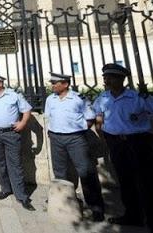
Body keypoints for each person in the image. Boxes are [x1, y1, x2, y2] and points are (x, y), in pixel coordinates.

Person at [92, 63, 153, 232]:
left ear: (121, 79)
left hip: (137, 143)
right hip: (116, 144)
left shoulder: (138, 98)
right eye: (105, 77)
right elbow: (98, 117)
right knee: (125, 181)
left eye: (110, 77)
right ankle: (133, 215)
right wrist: (103, 134)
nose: (106, 80)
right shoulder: (103, 98)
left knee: (148, 184)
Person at [44, 72, 105, 222]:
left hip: (76, 138)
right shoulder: (50, 99)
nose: (52, 85)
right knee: (59, 170)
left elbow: (90, 117)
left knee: (86, 171)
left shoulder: (78, 99)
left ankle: (95, 207)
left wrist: (81, 130)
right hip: (56, 137)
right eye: (52, 83)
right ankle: (63, 202)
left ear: (65, 84)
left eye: (55, 83)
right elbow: (48, 116)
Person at [0, 73, 35, 211]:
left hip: (11, 134)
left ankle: (22, 196)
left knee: (15, 164)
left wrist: (22, 123)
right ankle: (5, 188)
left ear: (0, 84)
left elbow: (27, 110)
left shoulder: (13, 95)